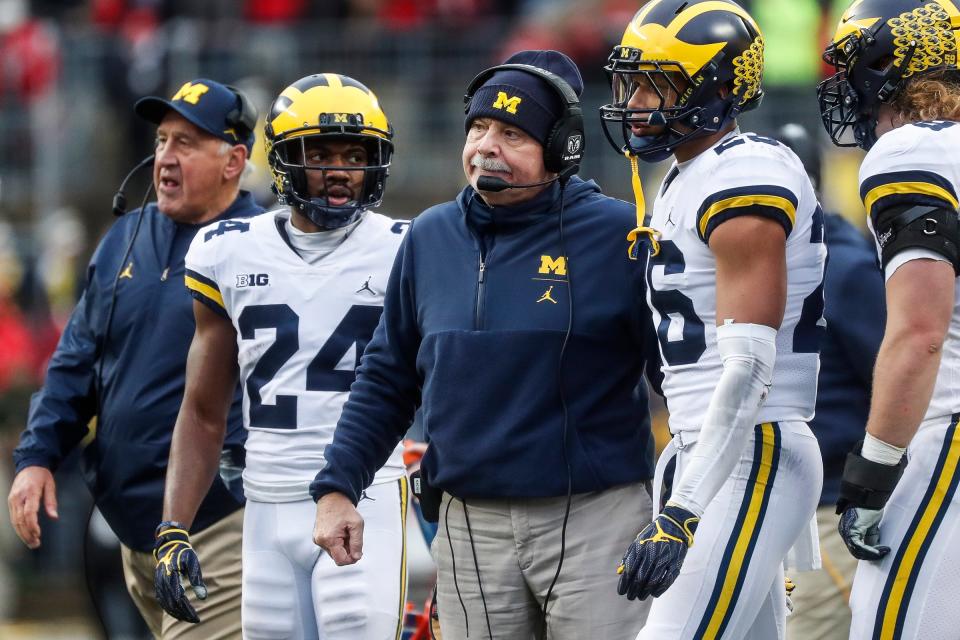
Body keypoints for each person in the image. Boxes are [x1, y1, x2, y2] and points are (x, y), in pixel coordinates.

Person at [310, 49, 659, 640]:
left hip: (596, 515)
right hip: (469, 522)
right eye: (477, 127)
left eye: (512, 132)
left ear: (562, 148)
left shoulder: (620, 234)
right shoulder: (429, 235)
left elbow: (677, 374)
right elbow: (387, 375)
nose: (485, 145)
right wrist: (339, 484)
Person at [599, 2, 828, 638]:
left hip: (749, 446)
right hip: (715, 446)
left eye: (659, 83)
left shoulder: (744, 170)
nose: (638, 101)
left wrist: (685, 510)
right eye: (634, 81)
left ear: (719, 88)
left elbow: (750, 365)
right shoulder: (689, 174)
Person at [154, 73, 410, 639]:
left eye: (355, 153)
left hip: (364, 496)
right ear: (283, 159)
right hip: (265, 504)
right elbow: (202, 411)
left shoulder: (407, 248)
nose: (340, 169)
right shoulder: (227, 251)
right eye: (319, 152)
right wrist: (174, 526)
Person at [7, 78, 263, 638]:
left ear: (234, 160)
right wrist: (36, 456)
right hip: (132, 528)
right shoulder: (127, 235)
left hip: (216, 523)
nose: (165, 158)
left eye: (187, 143)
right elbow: (75, 362)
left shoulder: (264, 246)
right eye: (162, 141)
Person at [818, 1, 960, 637]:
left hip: (947, 431)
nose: (849, 86)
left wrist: (873, 471)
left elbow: (920, 333)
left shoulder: (915, 151)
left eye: (857, 66)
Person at [770, 123, 886, 639]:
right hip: (773, 502)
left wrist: (867, 485)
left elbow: (898, 381)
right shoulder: (767, 260)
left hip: (829, 509)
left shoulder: (846, 267)